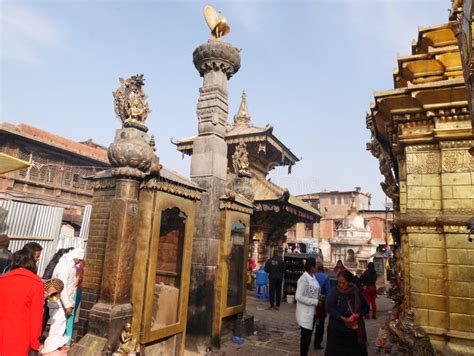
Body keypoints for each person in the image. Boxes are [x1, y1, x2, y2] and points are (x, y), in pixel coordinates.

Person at [0, 249, 44, 356]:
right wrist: (35, 345)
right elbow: (36, 318)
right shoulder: (36, 284)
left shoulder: (2, 281)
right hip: (21, 338)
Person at [44, 248, 85, 351]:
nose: (79, 262)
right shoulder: (64, 266)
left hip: (59, 301)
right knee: (57, 327)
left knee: (59, 326)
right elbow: (62, 288)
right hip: (59, 303)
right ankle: (51, 350)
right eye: (79, 259)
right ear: (76, 257)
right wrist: (68, 305)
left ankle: (53, 349)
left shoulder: (67, 264)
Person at [325, 270, 369, 356]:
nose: (341, 285)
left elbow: (366, 308)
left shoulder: (356, 292)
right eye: (339, 283)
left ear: (349, 282)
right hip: (337, 330)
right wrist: (342, 317)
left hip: (353, 332)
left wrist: (357, 315)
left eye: (343, 283)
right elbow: (328, 307)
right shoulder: (334, 292)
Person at [41, 248, 74, 336]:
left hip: (52, 293)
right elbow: (50, 280)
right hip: (51, 293)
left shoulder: (56, 263)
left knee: (50, 315)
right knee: (49, 316)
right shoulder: (58, 265)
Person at [295, 258, 320, 356]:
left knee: (308, 337)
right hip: (305, 313)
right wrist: (314, 301)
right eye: (316, 265)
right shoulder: (303, 278)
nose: (318, 266)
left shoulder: (313, 277)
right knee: (305, 338)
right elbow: (298, 296)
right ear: (312, 267)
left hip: (312, 312)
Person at [313, 262, 331, 350]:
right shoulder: (325, 277)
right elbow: (328, 292)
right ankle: (317, 343)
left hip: (311, 302)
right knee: (320, 324)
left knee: (310, 323)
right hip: (321, 303)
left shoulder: (312, 275)